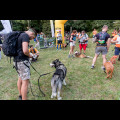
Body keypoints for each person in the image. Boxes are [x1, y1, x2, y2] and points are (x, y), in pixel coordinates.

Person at [13, 28, 37, 100]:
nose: (31, 39)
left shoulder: (19, 35)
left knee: (20, 78)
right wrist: (31, 55)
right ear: (32, 33)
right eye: (33, 37)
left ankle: (20, 95)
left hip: (16, 61)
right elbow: (25, 51)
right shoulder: (25, 36)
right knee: (25, 82)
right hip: (22, 62)